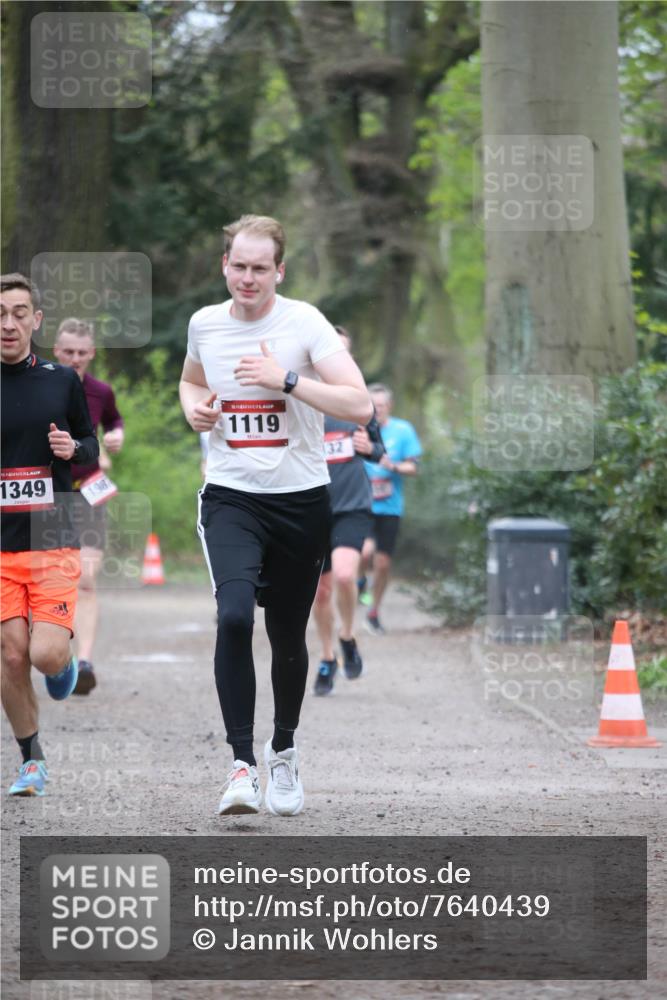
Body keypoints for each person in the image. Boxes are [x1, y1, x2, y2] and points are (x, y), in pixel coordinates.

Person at [179, 215, 372, 816]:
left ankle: (282, 751)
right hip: (231, 495)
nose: (248, 277)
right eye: (238, 266)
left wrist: (285, 379)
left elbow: (360, 405)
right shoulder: (205, 324)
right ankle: (241, 766)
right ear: (225, 266)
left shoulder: (304, 322)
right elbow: (190, 382)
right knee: (234, 617)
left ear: (278, 272)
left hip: (300, 501)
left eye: (260, 268)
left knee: (286, 632)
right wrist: (196, 412)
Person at [1, 274, 99, 796]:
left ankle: (60, 664)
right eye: (0, 314)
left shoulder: (62, 380)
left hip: (52, 537)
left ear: (36, 321)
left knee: (42, 656)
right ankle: (31, 759)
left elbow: (91, 446)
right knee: (10, 654)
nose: (8, 323)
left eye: (19, 313)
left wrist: (73, 450)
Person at [311, 327, 385, 695]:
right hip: (309, 509)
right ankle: (327, 658)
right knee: (319, 593)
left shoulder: (360, 403)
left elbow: (379, 450)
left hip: (351, 504)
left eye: (344, 353)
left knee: (343, 576)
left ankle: (347, 635)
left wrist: (368, 446)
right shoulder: (301, 399)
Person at [53, 318, 124, 694]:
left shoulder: (100, 391)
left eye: (82, 353)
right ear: (56, 351)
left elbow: (114, 419)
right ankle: (54, 655)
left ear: (92, 354)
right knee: (50, 580)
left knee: (86, 578)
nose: (76, 359)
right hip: (48, 494)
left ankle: (84, 661)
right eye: (69, 352)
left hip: (91, 490)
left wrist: (115, 436)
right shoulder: (39, 386)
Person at [362, 383, 422, 635]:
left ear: (390, 407)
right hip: (360, 503)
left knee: (383, 562)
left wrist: (393, 467)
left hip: (389, 507)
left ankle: (373, 610)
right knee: (365, 552)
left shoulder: (403, 430)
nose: (377, 410)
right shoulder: (357, 429)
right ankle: (358, 581)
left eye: (381, 406)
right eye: (372, 406)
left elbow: (414, 467)